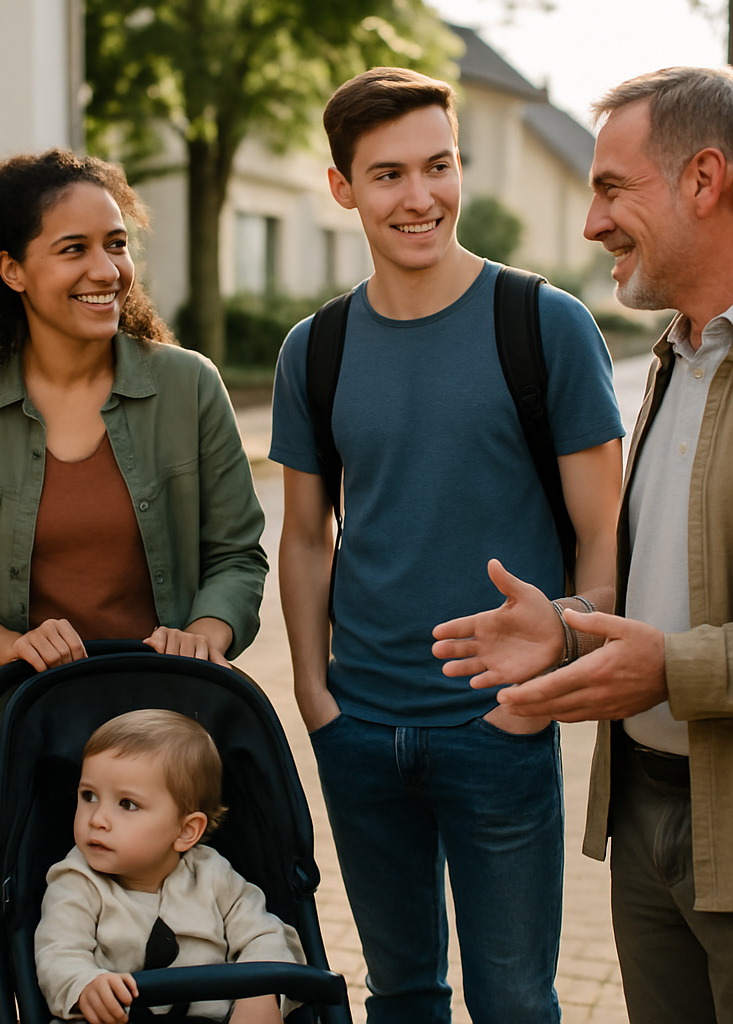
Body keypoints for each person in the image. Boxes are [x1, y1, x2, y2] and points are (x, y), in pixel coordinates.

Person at [269, 68, 625, 1023]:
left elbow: (605, 530)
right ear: (343, 187)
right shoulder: (318, 347)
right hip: (360, 729)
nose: (420, 197)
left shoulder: (544, 324)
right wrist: (315, 694)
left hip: (498, 727)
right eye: (388, 175)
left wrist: (555, 676)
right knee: (402, 995)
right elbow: (306, 537)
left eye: (439, 165)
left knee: (512, 1001)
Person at [433, 66, 733, 1024]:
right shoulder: (674, 361)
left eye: (612, 188)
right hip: (644, 809)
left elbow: (677, 650)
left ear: (704, 178)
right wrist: (573, 637)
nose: (593, 223)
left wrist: (673, 669)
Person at [0, 150, 266, 864]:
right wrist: (12, 647)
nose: (107, 270)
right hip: (14, 742)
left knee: (182, 961)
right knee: (29, 960)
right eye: (74, 250)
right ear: (12, 271)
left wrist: (208, 632)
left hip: (169, 746)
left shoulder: (188, 387)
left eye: (116, 244)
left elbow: (237, 555)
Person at [34, 710, 304, 1024]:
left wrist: (261, 994)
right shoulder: (76, 882)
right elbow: (58, 951)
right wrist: (84, 983)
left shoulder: (214, 877)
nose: (97, 819)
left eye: (127, 804)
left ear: (186, 831)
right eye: (89, 796)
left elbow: (266, 935)